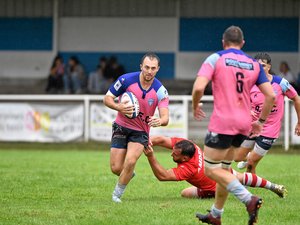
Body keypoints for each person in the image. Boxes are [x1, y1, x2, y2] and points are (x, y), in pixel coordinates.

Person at [191, 26, 275, 225]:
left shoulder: (216, 58)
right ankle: (216, 214)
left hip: (223, 122)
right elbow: (270, 95)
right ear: (243, 43)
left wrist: (195, 106)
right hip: (244, 123)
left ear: (223, 42)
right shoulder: (254, 64)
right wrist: (260, 122)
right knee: (225, 169)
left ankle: (249, 199)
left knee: (210, 170)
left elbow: (198, 87)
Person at [103, 52, 169, 203]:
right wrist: (118, 106)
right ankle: (128, 173)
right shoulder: (126, 80)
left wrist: (161, 120)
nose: (149, 71)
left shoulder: (160, 91)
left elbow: (165, 117)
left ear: (158, 69)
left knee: (130, 161)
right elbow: (107, 98)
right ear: (141, 67)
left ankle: (116, 195)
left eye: (153, 68)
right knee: (116, 168)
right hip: (121, 126)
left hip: (140, 132)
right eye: (146, 67)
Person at [143, 135, 287, 199]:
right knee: (240, 177)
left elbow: (163, 176)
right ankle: (273, 186)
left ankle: (240, 192)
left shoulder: (189, 168)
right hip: (218, 168)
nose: (171, 155)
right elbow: (161, 140)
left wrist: (150, 156)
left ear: (185, 158)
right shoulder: (188, 144)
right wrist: (145, 141)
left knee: (185, 193)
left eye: (175, 155)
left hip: (213, 186)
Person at [235, 53, 300, 173]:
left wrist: (299, 122)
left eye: (263, 65)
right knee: (237, 158)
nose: (260, 68)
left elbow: (297, 98)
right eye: (257, 65)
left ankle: (246, 188)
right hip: (252, 126)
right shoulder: (249, 83)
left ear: (269, 67)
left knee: (251, 163)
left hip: (269, 130)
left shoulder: (280, 83)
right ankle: (249, 159)